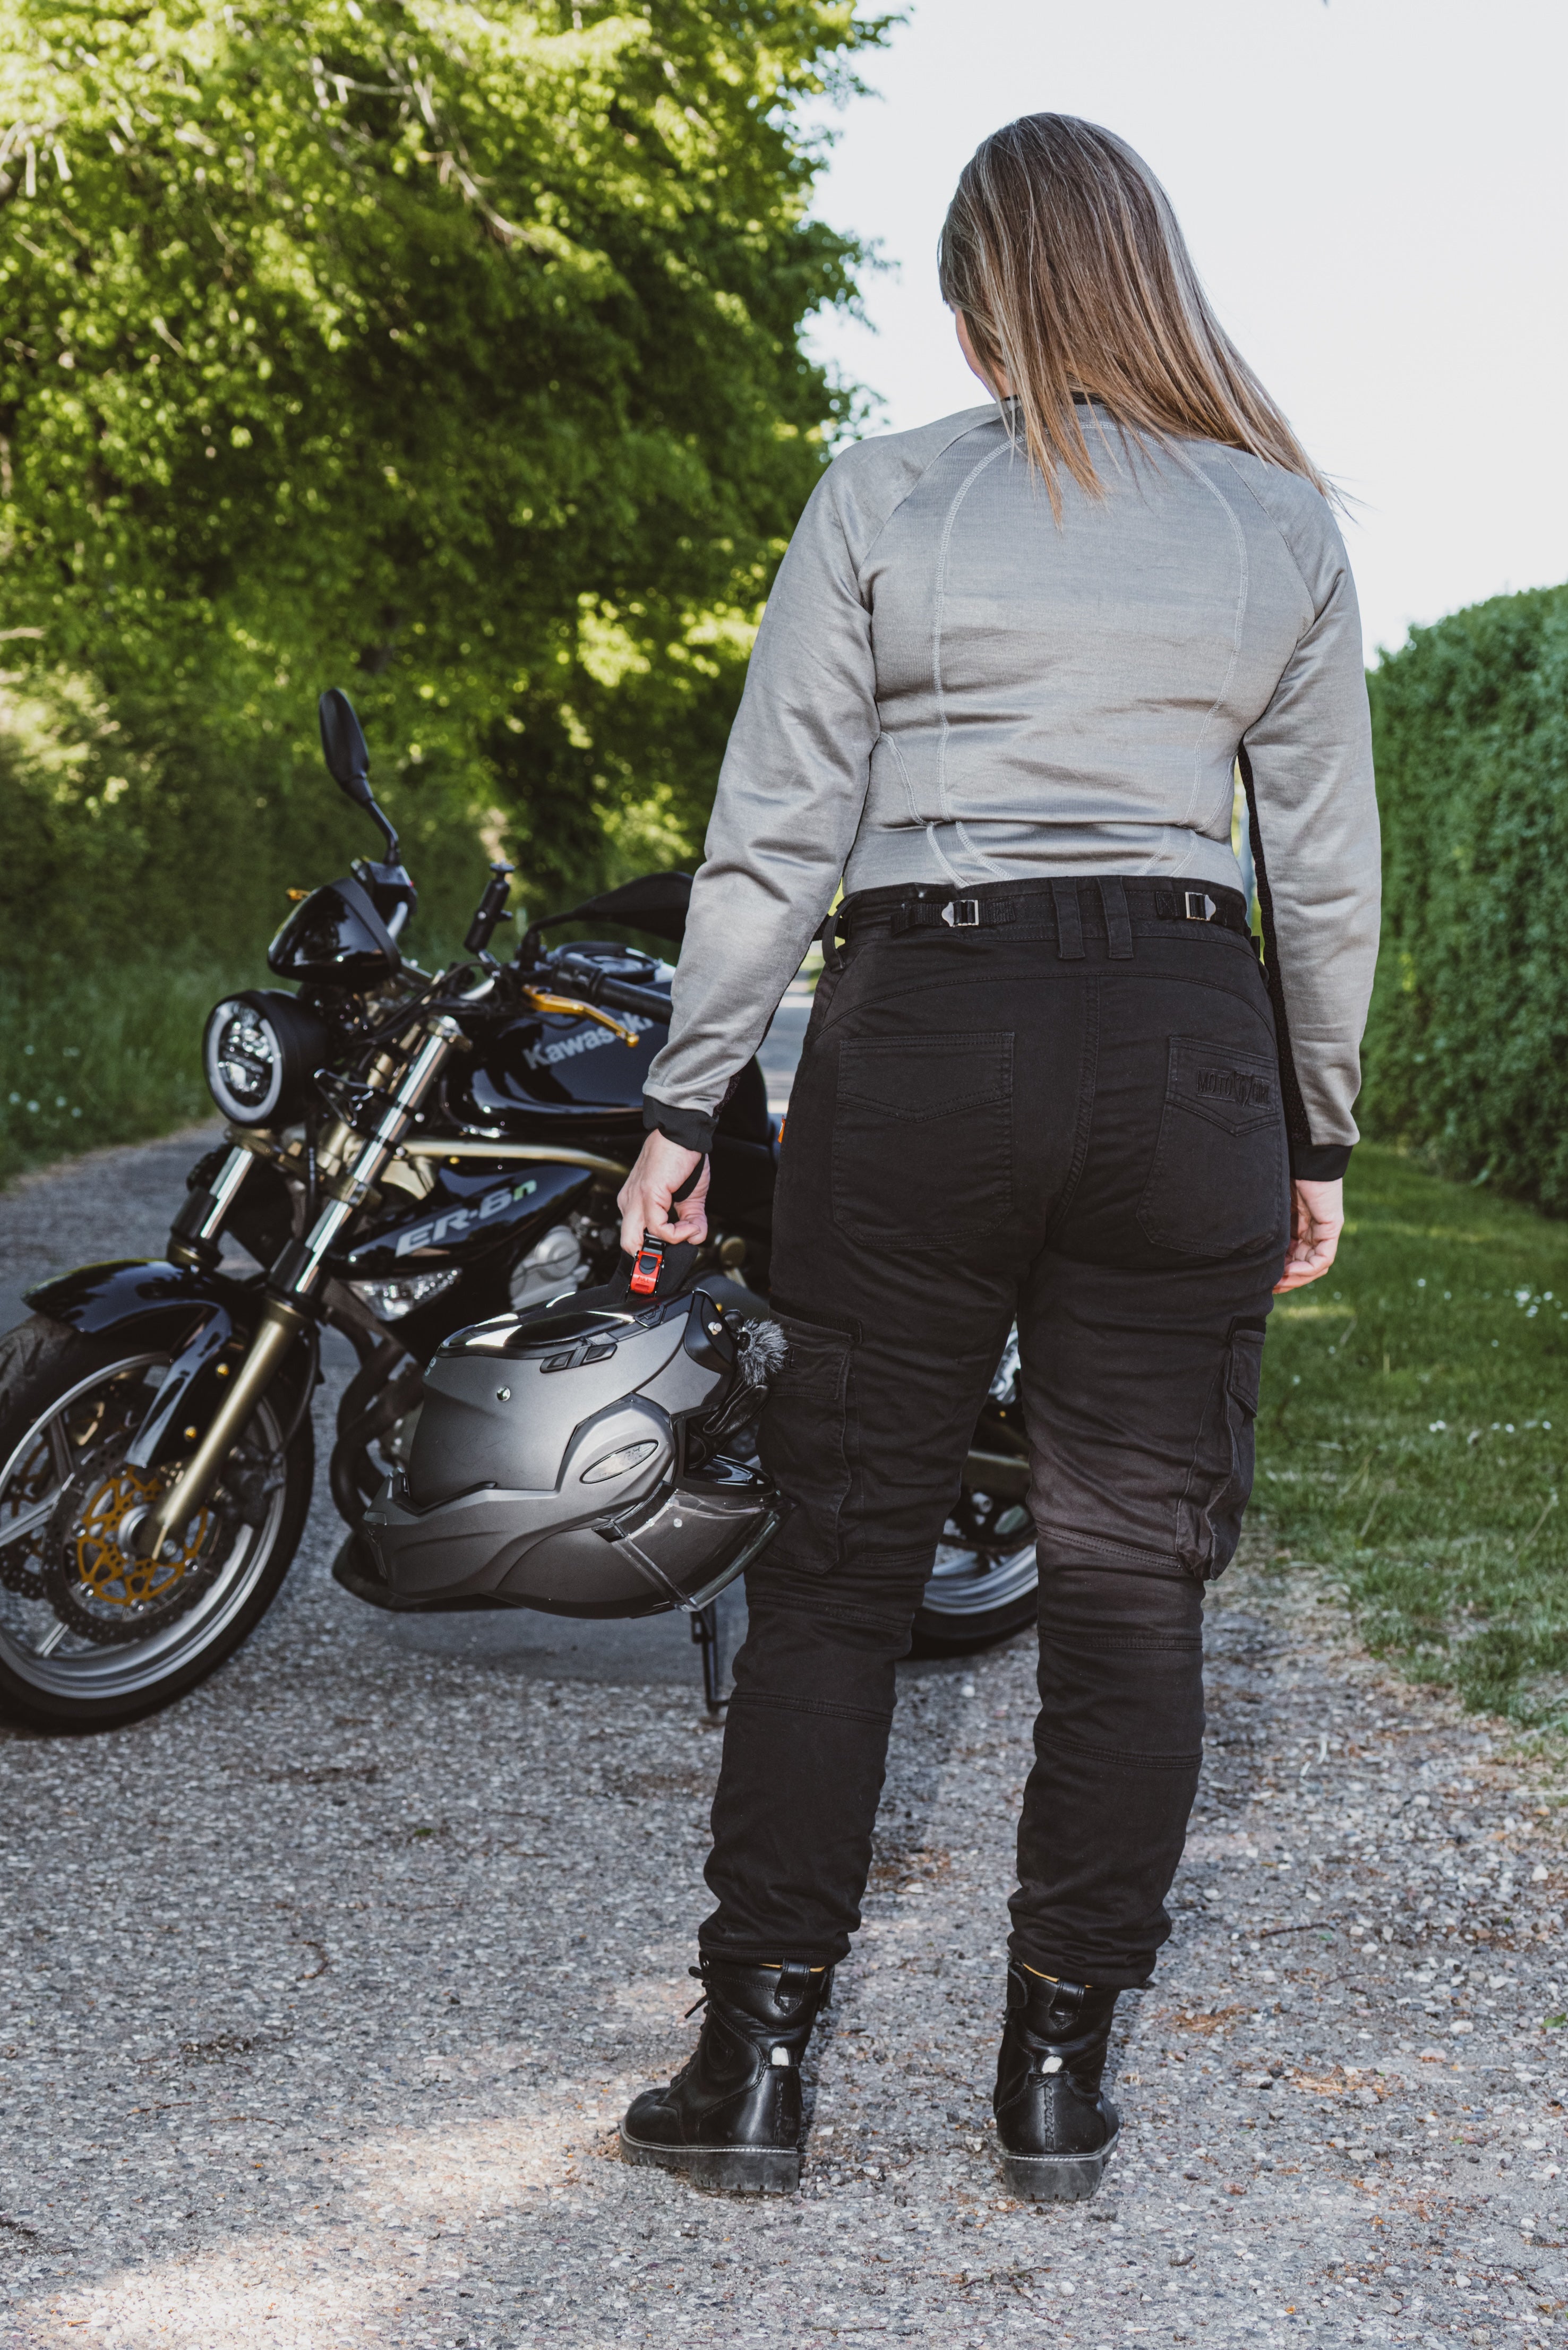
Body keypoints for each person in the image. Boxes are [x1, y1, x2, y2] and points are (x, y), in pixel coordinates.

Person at [614, 112, 1378, 2201]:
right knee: (1133, 1589)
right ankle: (1055, 2083)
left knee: (841, 1570)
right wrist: (1314, 1124)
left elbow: (774, 826)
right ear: (1147, 283)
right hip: (1182, 1046)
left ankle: (752, 2069)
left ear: (976, 311)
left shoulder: (883, 495)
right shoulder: (1279, 523)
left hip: (927, 1033)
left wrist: (685, 1100)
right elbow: (1322, 873)